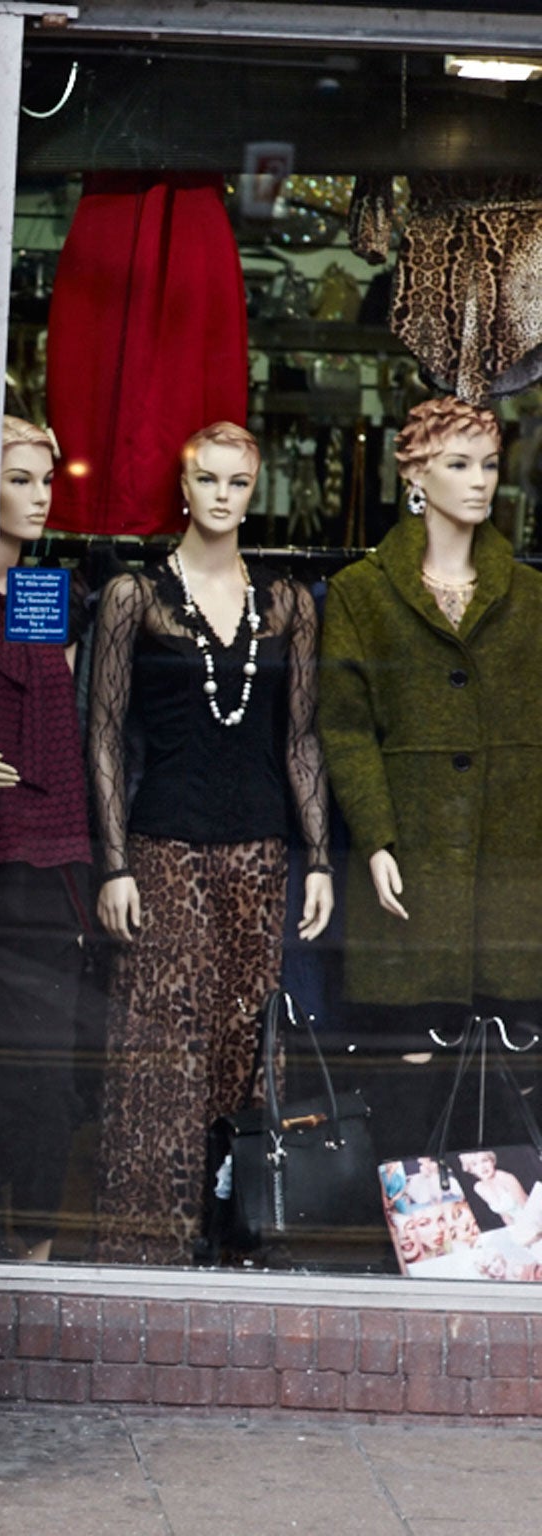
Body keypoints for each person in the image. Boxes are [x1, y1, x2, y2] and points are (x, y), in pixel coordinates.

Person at [87, 422, 334, 1264]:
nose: (224, 495)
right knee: (162, 1048)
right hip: (163, 845)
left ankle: (234, 1229)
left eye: (239, 482)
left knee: (242, 1043)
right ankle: (149, 1238)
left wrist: (320, 857)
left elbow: (300, 739)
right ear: (183, 489)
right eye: (209, 480)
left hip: (259, 848)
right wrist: (113, 863)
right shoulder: (136, 595)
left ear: (253, 491)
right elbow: (107, 737)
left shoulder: (288, 601)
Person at [319, 397, 542, 1156]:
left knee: (510, 1063)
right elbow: (345, 729)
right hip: (409, 858)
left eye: (487, 464)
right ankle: (409, 1242)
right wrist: (376, 837)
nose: (479, 481)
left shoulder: (535, 598)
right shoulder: (361, 593)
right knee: (409, 1063)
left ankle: (498, 1248)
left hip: (514, 857)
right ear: (413, 473)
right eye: (457, 464)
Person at [0, 416, 96, 1261]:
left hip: (54, 859)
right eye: (20, 479)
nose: (39, 497)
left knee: (48, 1071)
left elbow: (61, 707)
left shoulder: (46, 592)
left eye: (45, 481)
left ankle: (38, 1249)